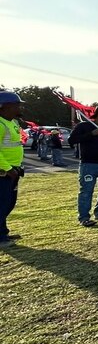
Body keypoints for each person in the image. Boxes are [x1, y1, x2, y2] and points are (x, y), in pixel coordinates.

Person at [0, 91, 25, 245]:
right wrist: (8, 168)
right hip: (4, 172)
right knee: (2, 204)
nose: (20, 108)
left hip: (13, 170)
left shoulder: (13, 123)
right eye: (17, 105)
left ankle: (3, 233)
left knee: (8, 204)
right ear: (5, 106)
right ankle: (1, 238)